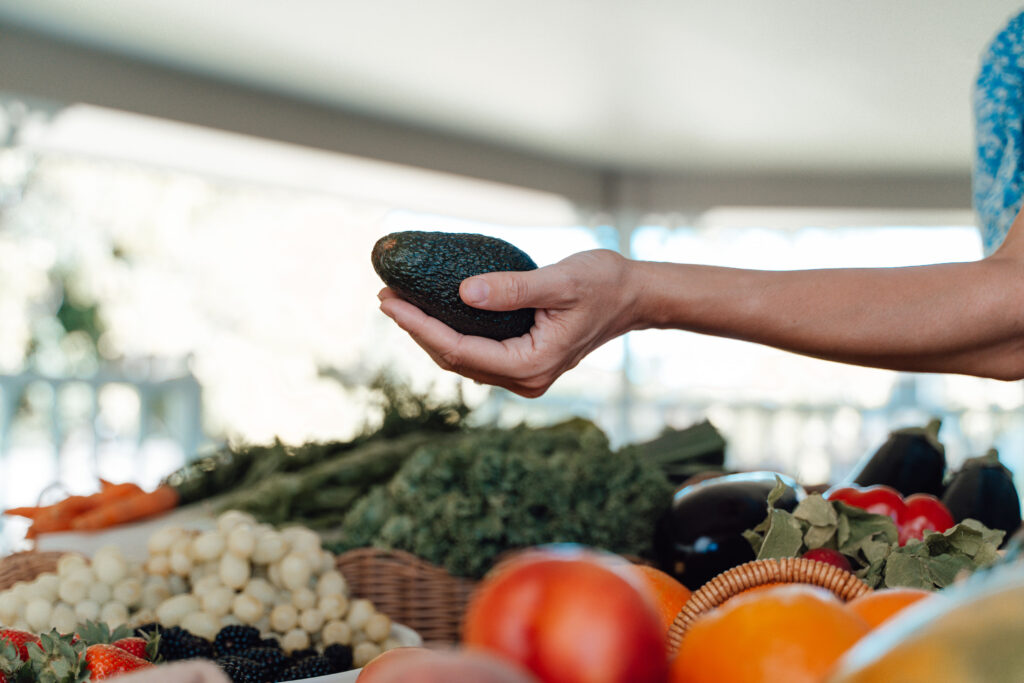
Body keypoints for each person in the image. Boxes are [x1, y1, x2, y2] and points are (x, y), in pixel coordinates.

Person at [380, 10, 1024, 398]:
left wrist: (640, 293)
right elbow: (1005, 335)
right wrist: (635, 291)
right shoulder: (1009, 56)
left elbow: (1012, 308)